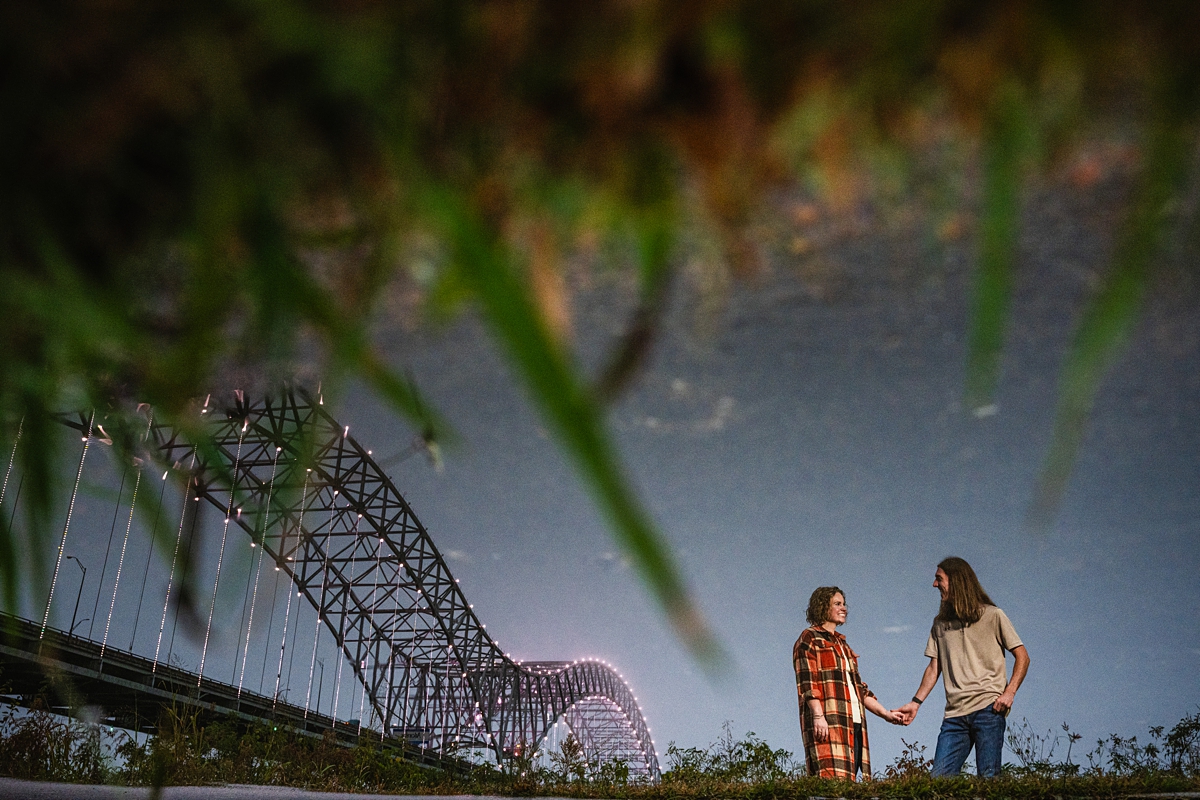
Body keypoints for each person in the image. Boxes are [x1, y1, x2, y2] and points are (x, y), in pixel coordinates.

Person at [893, 557, 1030, 778]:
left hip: (989, 709)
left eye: (939, 579)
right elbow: (933, 667)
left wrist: (1009, 693)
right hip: (955, 716)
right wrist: (916, 703)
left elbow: (1022, 656)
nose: (934, 585)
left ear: (956, 581)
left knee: (988, 780)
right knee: (939, 781)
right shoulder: (940, 624)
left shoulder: (993, 615)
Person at [794, 586, 901, 780]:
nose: (843, 608)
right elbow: (807, 683)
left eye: (844, 604)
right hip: (829, 723)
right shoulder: (810, 638)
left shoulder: (843, 646)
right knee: (829, 782)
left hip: (853, 724)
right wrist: (818, 716)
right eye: (837, 604)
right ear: (822, 607)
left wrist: (886, 714)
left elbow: (860, 689)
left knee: (849, 784)